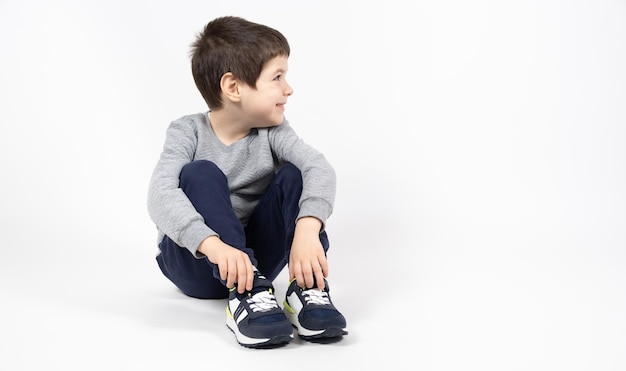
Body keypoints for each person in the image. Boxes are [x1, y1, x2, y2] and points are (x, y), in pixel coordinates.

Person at [147, 16, 347, 348]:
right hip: (195, 262)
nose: (289, 88)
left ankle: (306, 288)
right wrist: (214, 246)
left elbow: (319, 168)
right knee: (200, 172)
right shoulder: (187, 131)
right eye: (277, 77)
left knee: (296, 174)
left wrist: (308, 228)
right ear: (234, 87)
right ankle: (246, 293)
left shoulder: (275, 133)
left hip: (256, 261)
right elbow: (159, 194)